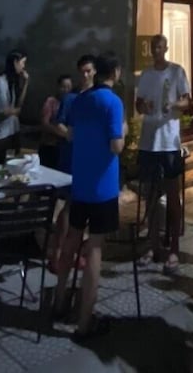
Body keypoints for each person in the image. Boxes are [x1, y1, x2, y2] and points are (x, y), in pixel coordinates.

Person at [52, 53, 125, 341]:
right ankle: (84, 322)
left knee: (71, 240)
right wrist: (124, 130)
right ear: (115, 72)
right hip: (103, 187)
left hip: (80, 182)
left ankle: (59, 301)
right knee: (94, 249)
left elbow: (70, 134)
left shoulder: (79, 100)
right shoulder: (112, 102)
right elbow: (116, 146)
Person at [136, 34, 190, 275]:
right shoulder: (146, 75)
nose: (157, 51)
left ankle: (174, 247)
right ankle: (152, 245)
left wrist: (174, 105)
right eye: (153, 47)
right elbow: (138, 103)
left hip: (169, 142)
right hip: (149, 141)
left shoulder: (177, 72)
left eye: (160, 47)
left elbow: (186, 101)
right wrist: (143, 107)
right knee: (150, 195)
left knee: (172, 194)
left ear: (166, 48)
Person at [48, 54, 97, 273]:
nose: (85, 75)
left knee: (84, 208)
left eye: (89, 71)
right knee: (69, 206)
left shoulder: (98, 97)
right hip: (71, 158)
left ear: (95, 72)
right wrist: (69, 134)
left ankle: (75, 251)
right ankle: (57, 252)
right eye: (82, 71)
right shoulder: (71, 98)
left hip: (91, 160)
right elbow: (58, 124)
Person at [0, 49, 29, 165]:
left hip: (12, 131)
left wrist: (25, 83)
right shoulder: (0, 82)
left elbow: (19, 104)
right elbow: (3, 111)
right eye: (23, 62)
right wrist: (16, 111)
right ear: (15, 62)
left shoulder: (12, 81)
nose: (23, 66)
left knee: (12, 168)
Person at [39, 74, 73, 169]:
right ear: (58, 87)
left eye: (69, 87)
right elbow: (45, 124)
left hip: (64, 148)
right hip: (50, 146)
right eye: (63, 87)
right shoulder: (51, 101)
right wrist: (62, 132)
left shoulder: (71, 103)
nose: (66, 90)